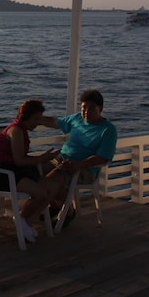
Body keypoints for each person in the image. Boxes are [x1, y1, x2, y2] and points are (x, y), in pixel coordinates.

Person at [35, 89, 118, 228]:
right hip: (61, 160)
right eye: (84, 107)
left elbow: (103, 157)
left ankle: (65, 210)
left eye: (92, 108)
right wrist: (38, 119)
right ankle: (58, 205)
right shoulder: (77, 119)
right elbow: (56, 122)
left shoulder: (108, 130)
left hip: (85, 169)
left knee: (51, 180)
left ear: (101, 109)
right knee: (33, 172)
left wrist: (79, 164)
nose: (87, 111)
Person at [0, 99, 61, 242]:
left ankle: (26, 222)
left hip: (17, 171)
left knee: (53, 187)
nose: (38, 123)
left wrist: (44, 158)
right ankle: (21, 220)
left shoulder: (22, 130)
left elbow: (20, 159)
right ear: (26, 117)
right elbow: (19, 160)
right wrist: (42, 158)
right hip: (3, 173)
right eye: (36, 119)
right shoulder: (16, 131)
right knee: (41, 193)